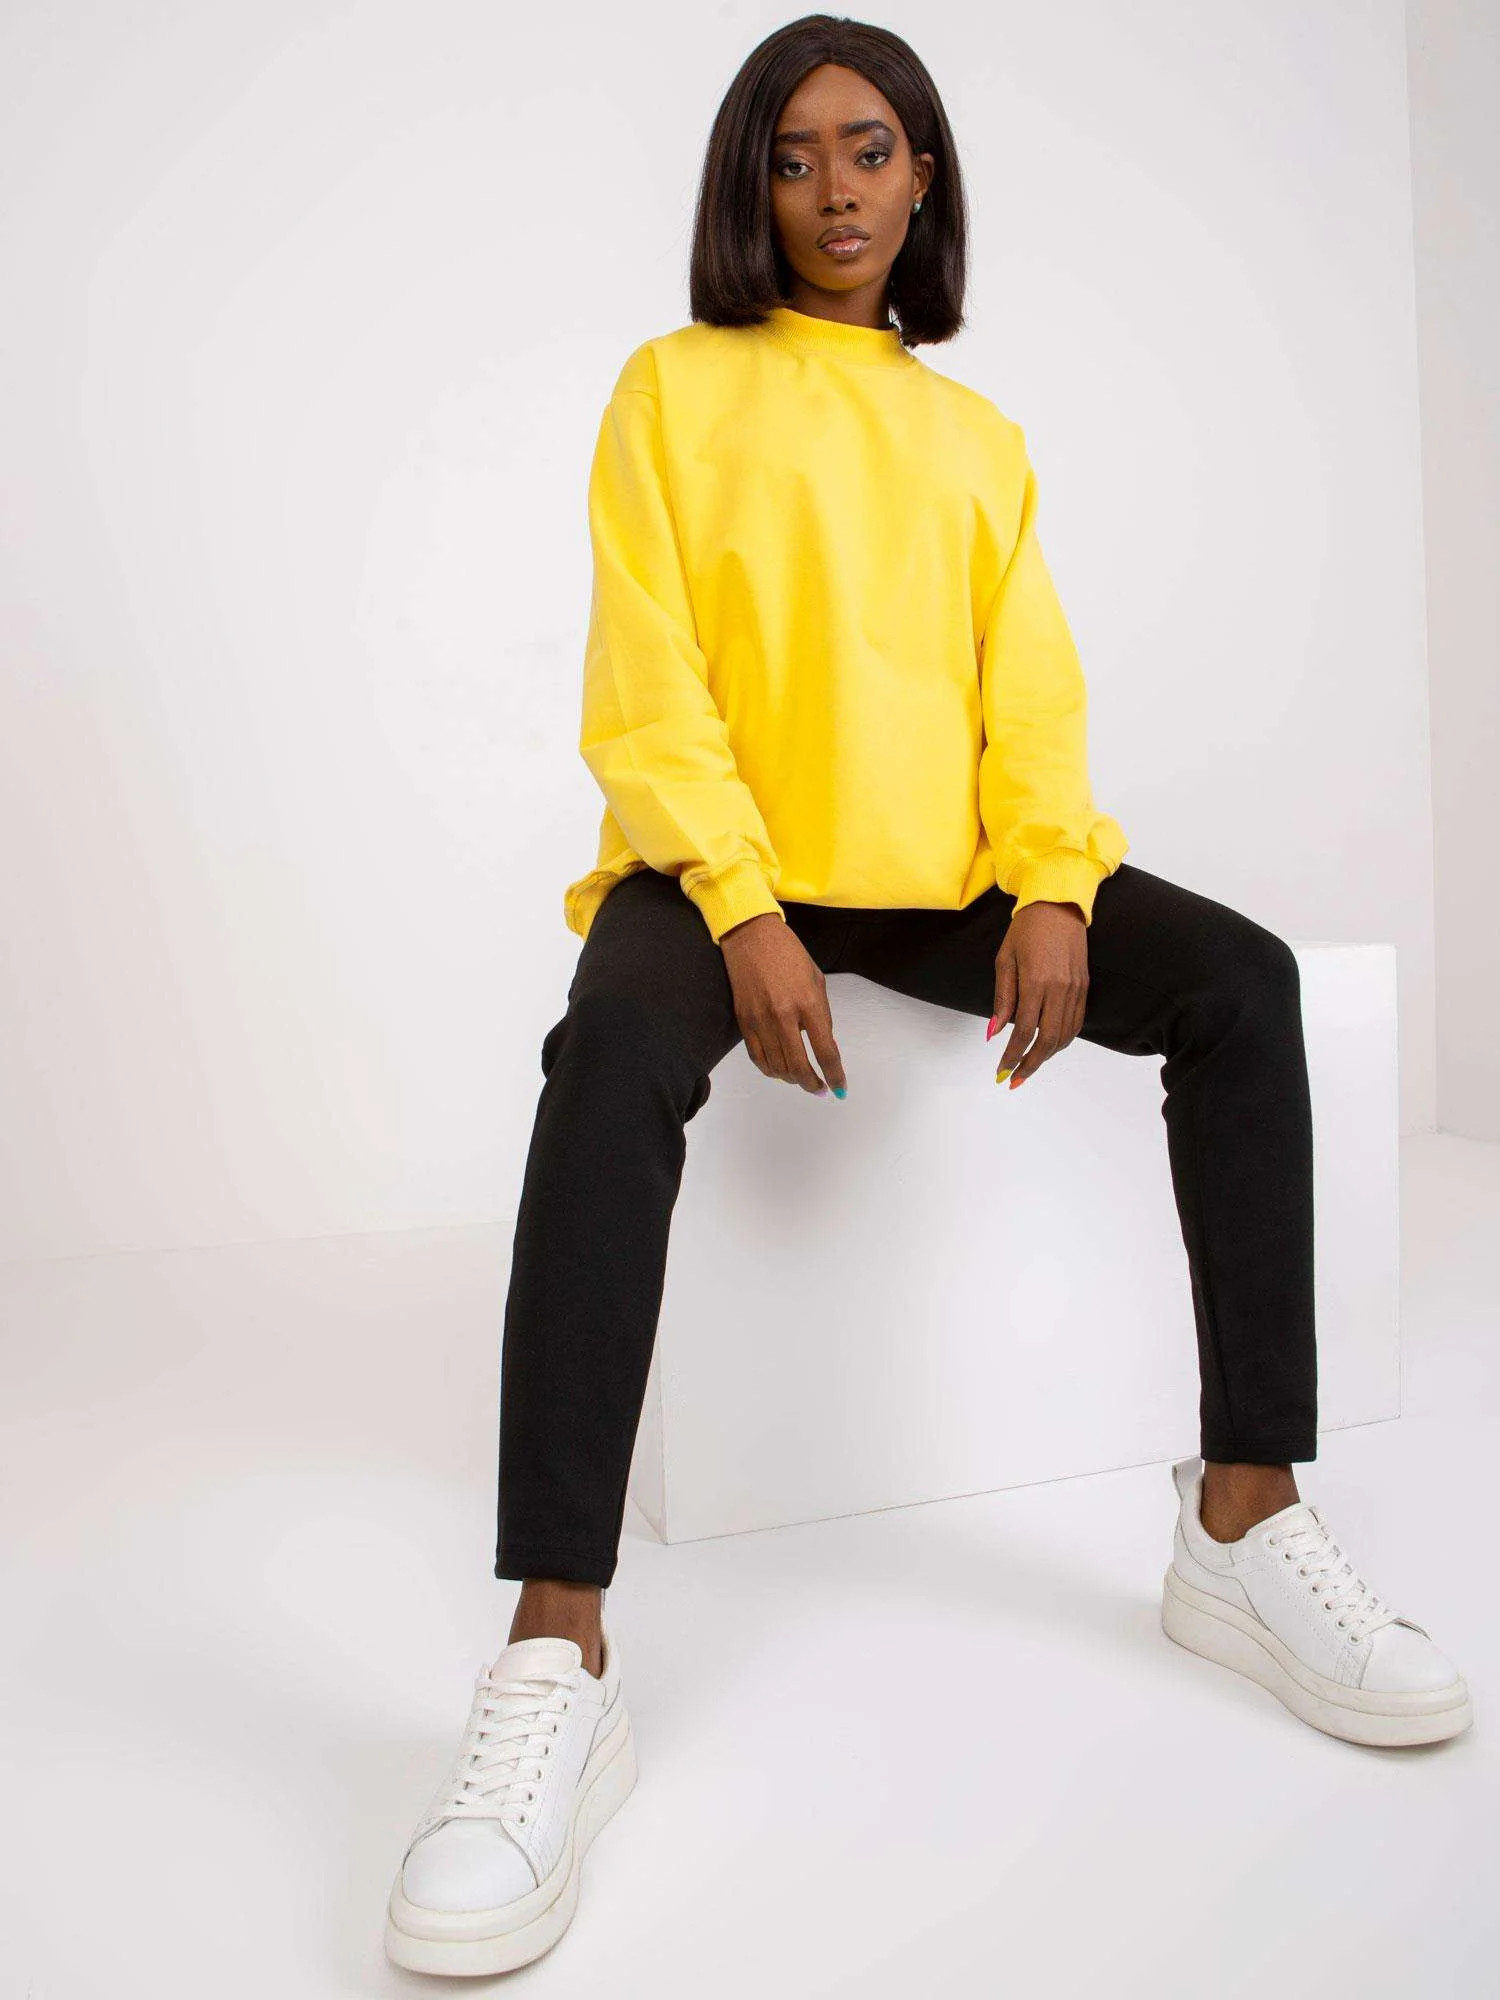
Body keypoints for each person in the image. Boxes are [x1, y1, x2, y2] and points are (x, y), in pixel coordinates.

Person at [383, 15, 1473, 1977]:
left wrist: (1052, 881)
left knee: (1239, 984)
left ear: (924, 177)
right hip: (721, 873)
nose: (834, 191)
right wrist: (739, 906)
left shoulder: (977, 441)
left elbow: (1028, 693)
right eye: (793, 155)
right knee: (608, 1050)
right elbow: (647, 687)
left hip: (944, 874)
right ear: (748, 181)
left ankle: (1242, 1517)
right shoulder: (672, 390)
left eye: (870, 150)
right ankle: (558, 1649)